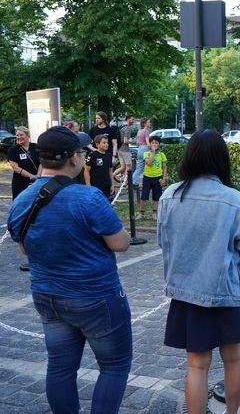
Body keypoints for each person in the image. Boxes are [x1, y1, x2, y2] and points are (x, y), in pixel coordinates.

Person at [6, 126, 132, 414]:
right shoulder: (89, 198)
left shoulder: (21, 202)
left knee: (61, 368)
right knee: (114, 367)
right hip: (97, 297)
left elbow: (25, 249)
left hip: (48, 297)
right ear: (73, 159)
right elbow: (121, 243)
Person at [158, 130, 240, 414]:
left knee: (196, 363)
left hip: (187, 290)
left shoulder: (170, 196)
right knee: (233, 358)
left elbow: (163, 241)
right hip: (226, 289)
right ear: (221, 159)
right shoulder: (234, 199)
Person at [136, 135, 167, 220]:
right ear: (149, 144)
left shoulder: (162, 155)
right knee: (144, 196)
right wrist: (153, 153)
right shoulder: (146, 153)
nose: (154, 144)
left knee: (156, 197)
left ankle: (154, 213)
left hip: (158, 178)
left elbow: (164, 167)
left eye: (156, 143)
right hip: (147, 177)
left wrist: (164, 178)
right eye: (152, 143)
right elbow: (149, 163)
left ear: (159, 144)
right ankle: (141, 213)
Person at [8, 126, 40, 200]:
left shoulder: (36, 147)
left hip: (37, 181)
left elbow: (42, 162)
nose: (19, 137)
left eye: (21, 135)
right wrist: (31, 176)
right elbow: (16, 168)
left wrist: (38, 175)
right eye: (17, 135)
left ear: (28, 136)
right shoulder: (13, 150)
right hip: (20, 183)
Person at [84, 134, 114, 199]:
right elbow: (86, 171)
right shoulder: (92, 155)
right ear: (97, 144)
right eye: (104, 143)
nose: (106, 144)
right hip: (95, 185)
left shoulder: (109, 155)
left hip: (106, 185)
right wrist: (88, 185)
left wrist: (112, 185)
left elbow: (110, 171)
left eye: (107, 143)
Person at [113, 114, 135, 185]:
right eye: (132, 119)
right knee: (128, 167)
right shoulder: (127, 128)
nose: (133, 121)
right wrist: (134, 141)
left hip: (119, 149)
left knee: (123, 167)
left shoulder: (121, 126)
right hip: (125, 149)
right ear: (128, 119)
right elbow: (125, 141)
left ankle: (111, 176)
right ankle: (126, 184)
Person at [132, 117, 151, 187]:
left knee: (139, 169)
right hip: (145, 150)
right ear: (144, 123)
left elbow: (137, 142)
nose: (150, 123)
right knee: (150, 166)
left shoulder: (139, 131)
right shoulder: (146, 131)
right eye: (148, 122)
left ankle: (131, 182)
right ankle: (149, 183)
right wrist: (153, 148)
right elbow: (148, 143)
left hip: (139, 149)